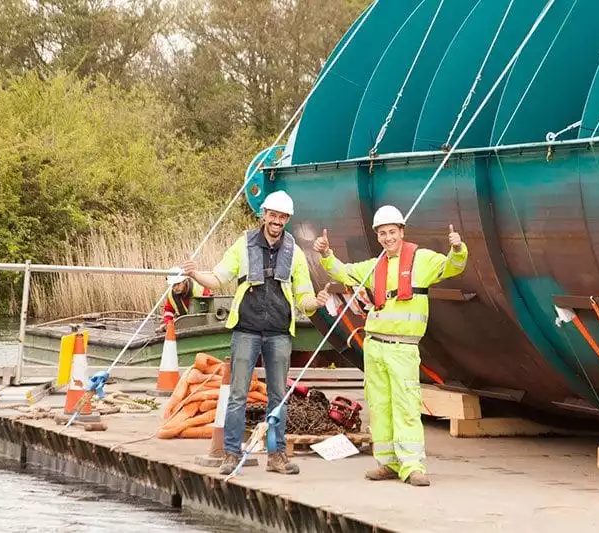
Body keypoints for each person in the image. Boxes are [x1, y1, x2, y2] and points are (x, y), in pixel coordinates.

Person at [313, 205, 468, 487]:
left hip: (403, 348)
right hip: (375, 346)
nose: (387, 238)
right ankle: (388, 463)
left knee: (406, 405)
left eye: (392, 232)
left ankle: (412, 466)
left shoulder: (422, 260)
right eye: (382, 233)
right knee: (380, 406)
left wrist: (458, 249)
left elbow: (451, 267)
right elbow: (343, 272)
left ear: (401, 231)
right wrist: (325, 254)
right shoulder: (374, 266)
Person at [181, 190, 331, 476]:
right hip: (246, 330)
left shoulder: (295, 252)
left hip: (278, 333)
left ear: (287, 219)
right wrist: (194, 274)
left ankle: (277, 457)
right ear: (264, 215)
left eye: (282, 216)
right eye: (272, 215)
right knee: (238, 395)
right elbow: (219, 277)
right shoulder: (244, 244)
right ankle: (231, 454)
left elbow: (304, 298)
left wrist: (317, 303)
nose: (277, 221)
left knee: (278, 396)